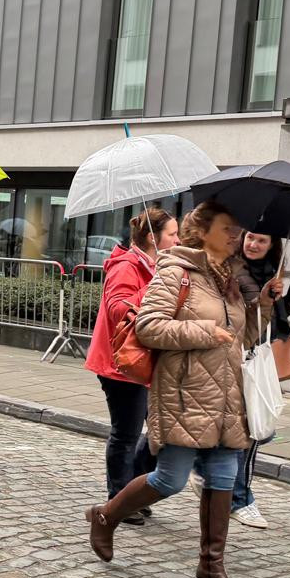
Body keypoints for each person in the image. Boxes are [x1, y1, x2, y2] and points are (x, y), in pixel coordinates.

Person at [84, 201, 267, 578]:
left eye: (238, 229)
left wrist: (266, 305)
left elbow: (243, 337)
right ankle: (105, 515)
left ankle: (210, 570)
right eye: (228, 228)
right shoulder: (176, 271)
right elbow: (149, 326)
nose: (236, 235)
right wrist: (204, 331)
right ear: (202, 231)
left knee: (222, 475)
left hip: (224, 394)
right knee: (170, 479)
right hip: (186, 393)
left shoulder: (231, 279)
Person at [84, 209, 180, 528]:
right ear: (154, 238)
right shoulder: (127, 264)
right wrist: (153, 287)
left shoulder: (158, 266)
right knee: (125, 434)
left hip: (148, 362)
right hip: (121, 363)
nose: (178, 240)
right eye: (173, 234)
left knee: (158, 430)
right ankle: (119, 500)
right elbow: (118, 309)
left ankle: (133, 492)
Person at [228, 231, 290, 530]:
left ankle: (230, 490)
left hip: (259, 362)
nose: (253, 245)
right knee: (254, 431)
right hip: (240, 360)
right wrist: (265, 299)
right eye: (250, 238)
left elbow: (271, 322)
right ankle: (241, 499)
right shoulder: (234, 270)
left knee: (256, 429)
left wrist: (289, 302)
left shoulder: (270, 273)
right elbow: (246, 319)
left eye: (261, 241)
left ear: (273, 246)